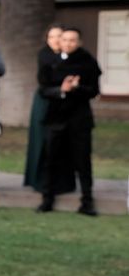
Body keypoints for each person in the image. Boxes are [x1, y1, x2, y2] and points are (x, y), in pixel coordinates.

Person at [36, 26, 102, 216]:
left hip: (79, 120)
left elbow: (94, 91)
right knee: (51, 160)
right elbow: (44, 89)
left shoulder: (88, 62)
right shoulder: (51, 61)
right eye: (64, 40)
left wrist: (77, 87)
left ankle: (87, 201)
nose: (68, 43)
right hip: (55, 119)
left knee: (83, 162)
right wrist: (62, 89)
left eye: (72, 40)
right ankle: (47, 200)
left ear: (79, 42)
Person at [23, 24, 75, 193]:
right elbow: (45, 83)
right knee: (42, 142)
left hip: (63, 104)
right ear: (47, 39)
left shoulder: (69, 56)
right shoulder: (44, 56)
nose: (56, 40)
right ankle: (40, 182)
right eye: (52, 37)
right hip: (45, 102)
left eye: (59, 36)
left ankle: (62, 184)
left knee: (64, 144)